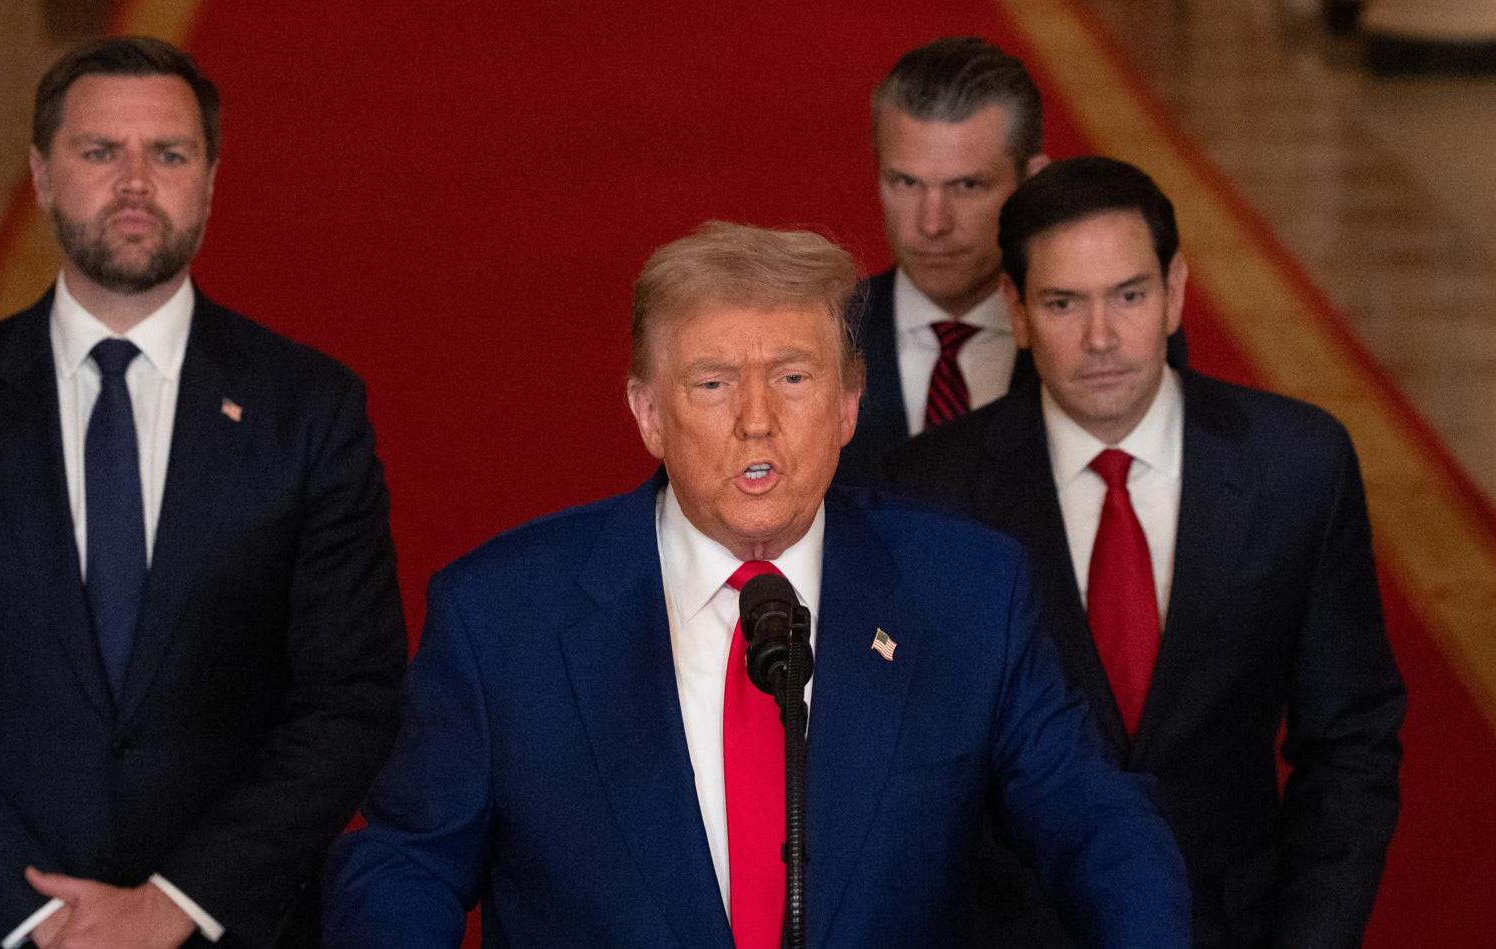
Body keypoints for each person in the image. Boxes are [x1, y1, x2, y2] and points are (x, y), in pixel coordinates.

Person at [323, 221, 1189, 947]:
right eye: (712, 383)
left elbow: (1095, 820)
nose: (756, 419)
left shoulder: (965, 591)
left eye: (793, 376)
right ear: (648, 413)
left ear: (848, 405)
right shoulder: (503, 615)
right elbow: (405, 861)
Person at [0, 36, 405, 948]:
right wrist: (40, 917)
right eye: (101, 152)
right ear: (41, 174)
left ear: (211, 178)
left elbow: (352, 695)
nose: (135, 181)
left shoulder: (309, 409)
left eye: (168, 154)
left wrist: (171, 904)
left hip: (224, 929)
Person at [886, 157, 1405, 948]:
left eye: (1128, 295)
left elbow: (1351, 742)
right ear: (1016, 313)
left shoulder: (1298, 465)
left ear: (1176, 292)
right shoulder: (931, 494)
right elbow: (905, 771)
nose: (1101, 338)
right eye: (1064, 303)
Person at [838, 37, 1184, 487]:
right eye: (906, 182)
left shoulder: (1118, 336)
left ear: (1032, 180)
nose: (932, 223)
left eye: (967, 186)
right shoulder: (828, 334)